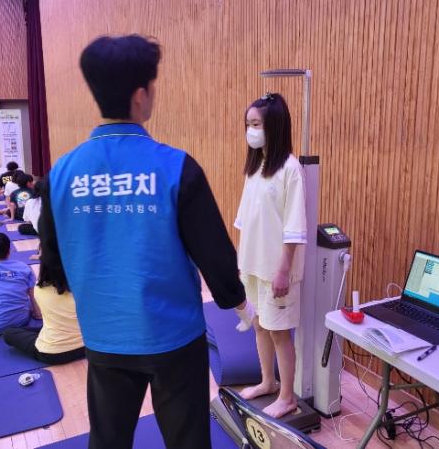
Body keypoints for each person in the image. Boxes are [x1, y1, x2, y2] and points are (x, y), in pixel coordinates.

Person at [39, 34, 251, 449]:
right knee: (188, 441)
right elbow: (214, 254)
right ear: (141, 95)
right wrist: (238, 301)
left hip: (102, 333)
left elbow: (52, 257)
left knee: (108, 440)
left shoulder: (61, 173)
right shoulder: (176, 167)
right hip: (173, 335)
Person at [234, 92, 308, 419]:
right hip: (253, 264)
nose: (250, 131)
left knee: (279, 332)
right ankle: (268, 381)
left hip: (277, 269)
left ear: (274, 127)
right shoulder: (256, 167)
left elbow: (294, 227)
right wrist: (241, 262)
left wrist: (283, 271)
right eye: (248, 124)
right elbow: (246, 220)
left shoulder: (290, 169)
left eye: (256, 124)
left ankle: (288, 397)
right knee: (260, 325)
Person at [3, 259, 84, 365]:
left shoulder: (40, 290)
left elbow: (38, 314)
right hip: (89, 347)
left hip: (53, 353)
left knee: (9, 333)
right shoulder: (86, 288)